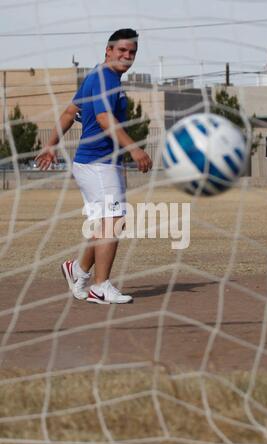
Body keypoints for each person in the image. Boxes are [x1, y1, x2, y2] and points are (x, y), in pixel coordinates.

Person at [35, 28, 152, 304]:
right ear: (108, 50)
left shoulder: (99, 76)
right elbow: (102, 119)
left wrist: (50, 145)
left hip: (99, 163)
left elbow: (69, 112)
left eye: (132, 52)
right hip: (97, 163)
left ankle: (77, 269)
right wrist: (134, 149)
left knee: (106, 222)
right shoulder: (104, 78)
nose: (127, 55)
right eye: (121, 50)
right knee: (114, 221)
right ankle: (100, 287)